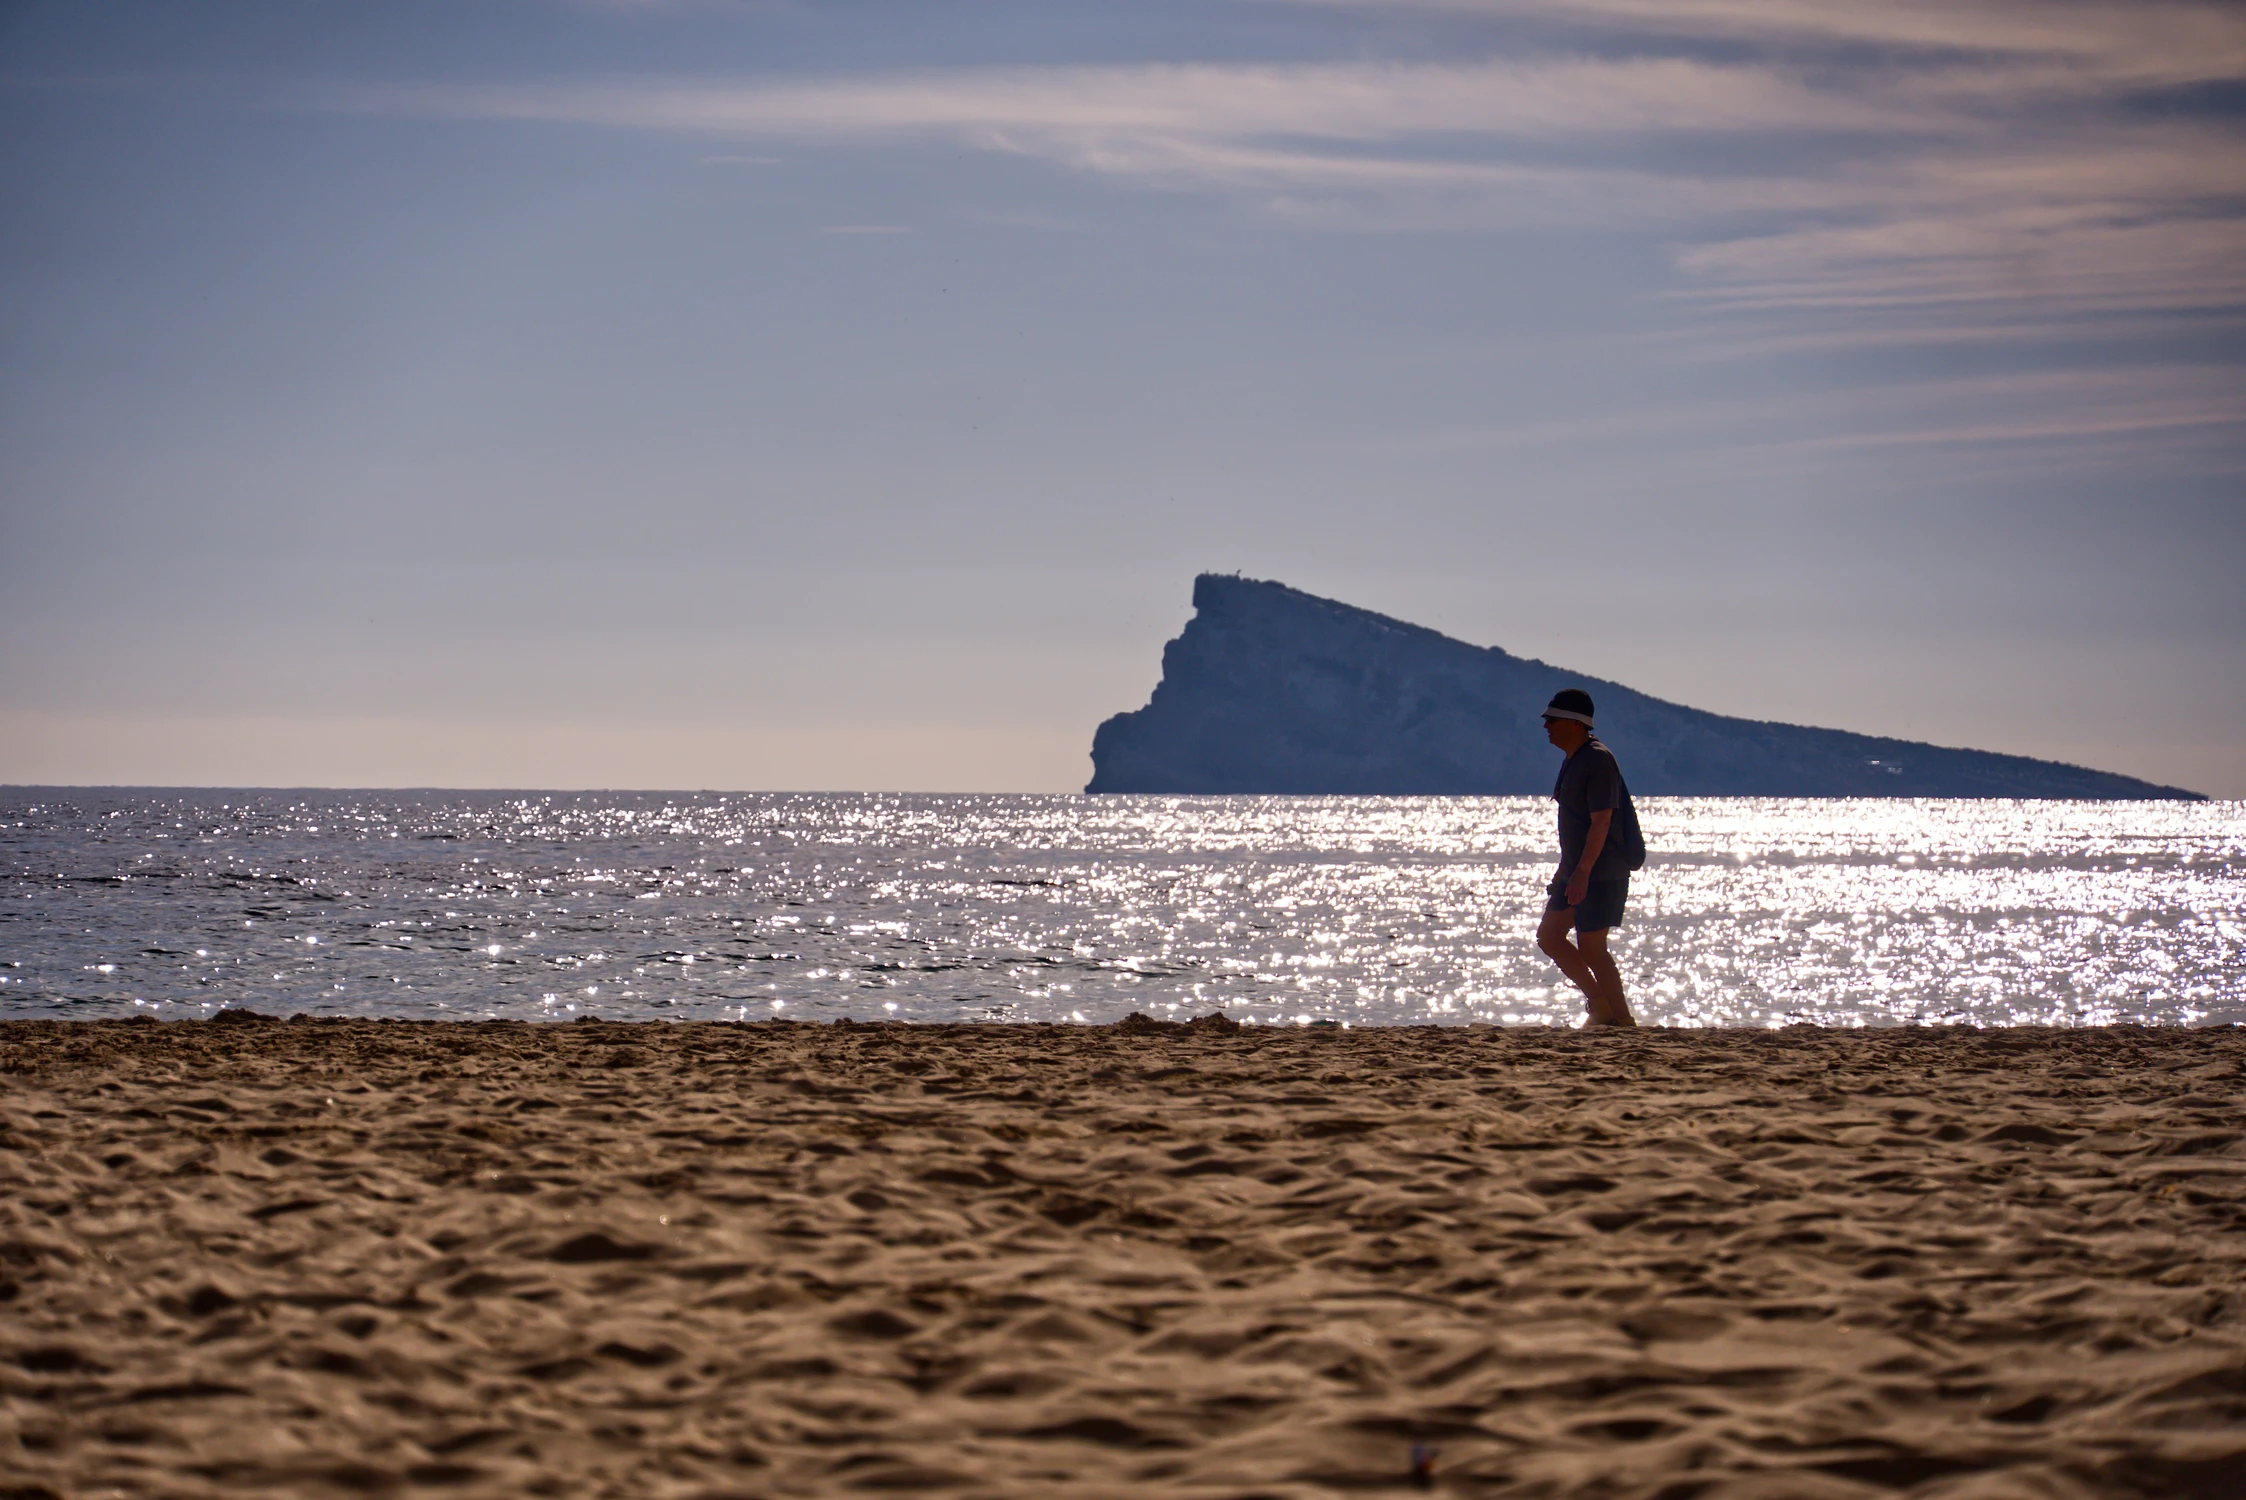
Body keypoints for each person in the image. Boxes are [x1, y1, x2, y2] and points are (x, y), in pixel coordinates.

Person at [1535, 689, 1641, 1028]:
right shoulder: (1573, 760)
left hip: (1601, 872)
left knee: (1593, 948)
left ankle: (1621, 1020)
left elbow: (1602, 821)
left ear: (1576, 723)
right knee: (1550, 937)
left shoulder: (1598, 759)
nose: (1546, 726)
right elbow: (1575, 828)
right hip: (1576, 870)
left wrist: (1582, 872)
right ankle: (1600, 1006)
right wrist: (1564, 872)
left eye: (1552, 719)